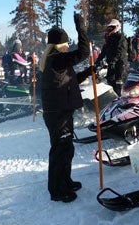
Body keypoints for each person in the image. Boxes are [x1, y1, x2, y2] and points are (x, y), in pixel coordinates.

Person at [40, 13, 92, 203]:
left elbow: (69, 81)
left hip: (62, 111)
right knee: (60, 150)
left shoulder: (56, 60)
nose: (68, 45)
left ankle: (65, 181)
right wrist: (81, 29)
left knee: (67, 148)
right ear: (58, 44)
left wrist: (87, 72)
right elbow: (84, 52)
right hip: (57, 114)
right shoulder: (56, 58)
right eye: (66, 43)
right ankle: (57, 190)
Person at [96, 19, 128, 96]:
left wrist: (114, 60)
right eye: (108, 28)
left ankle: (120, 98)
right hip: (111, 63)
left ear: (116, 27)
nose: (109, 29)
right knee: (110, 81)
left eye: (111, 27)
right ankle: (113, 98)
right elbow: (104, 51)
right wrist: (97, 61)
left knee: (118, 82)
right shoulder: (109, 38)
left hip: (120, 64)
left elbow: (120, 51)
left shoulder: (120, 37)